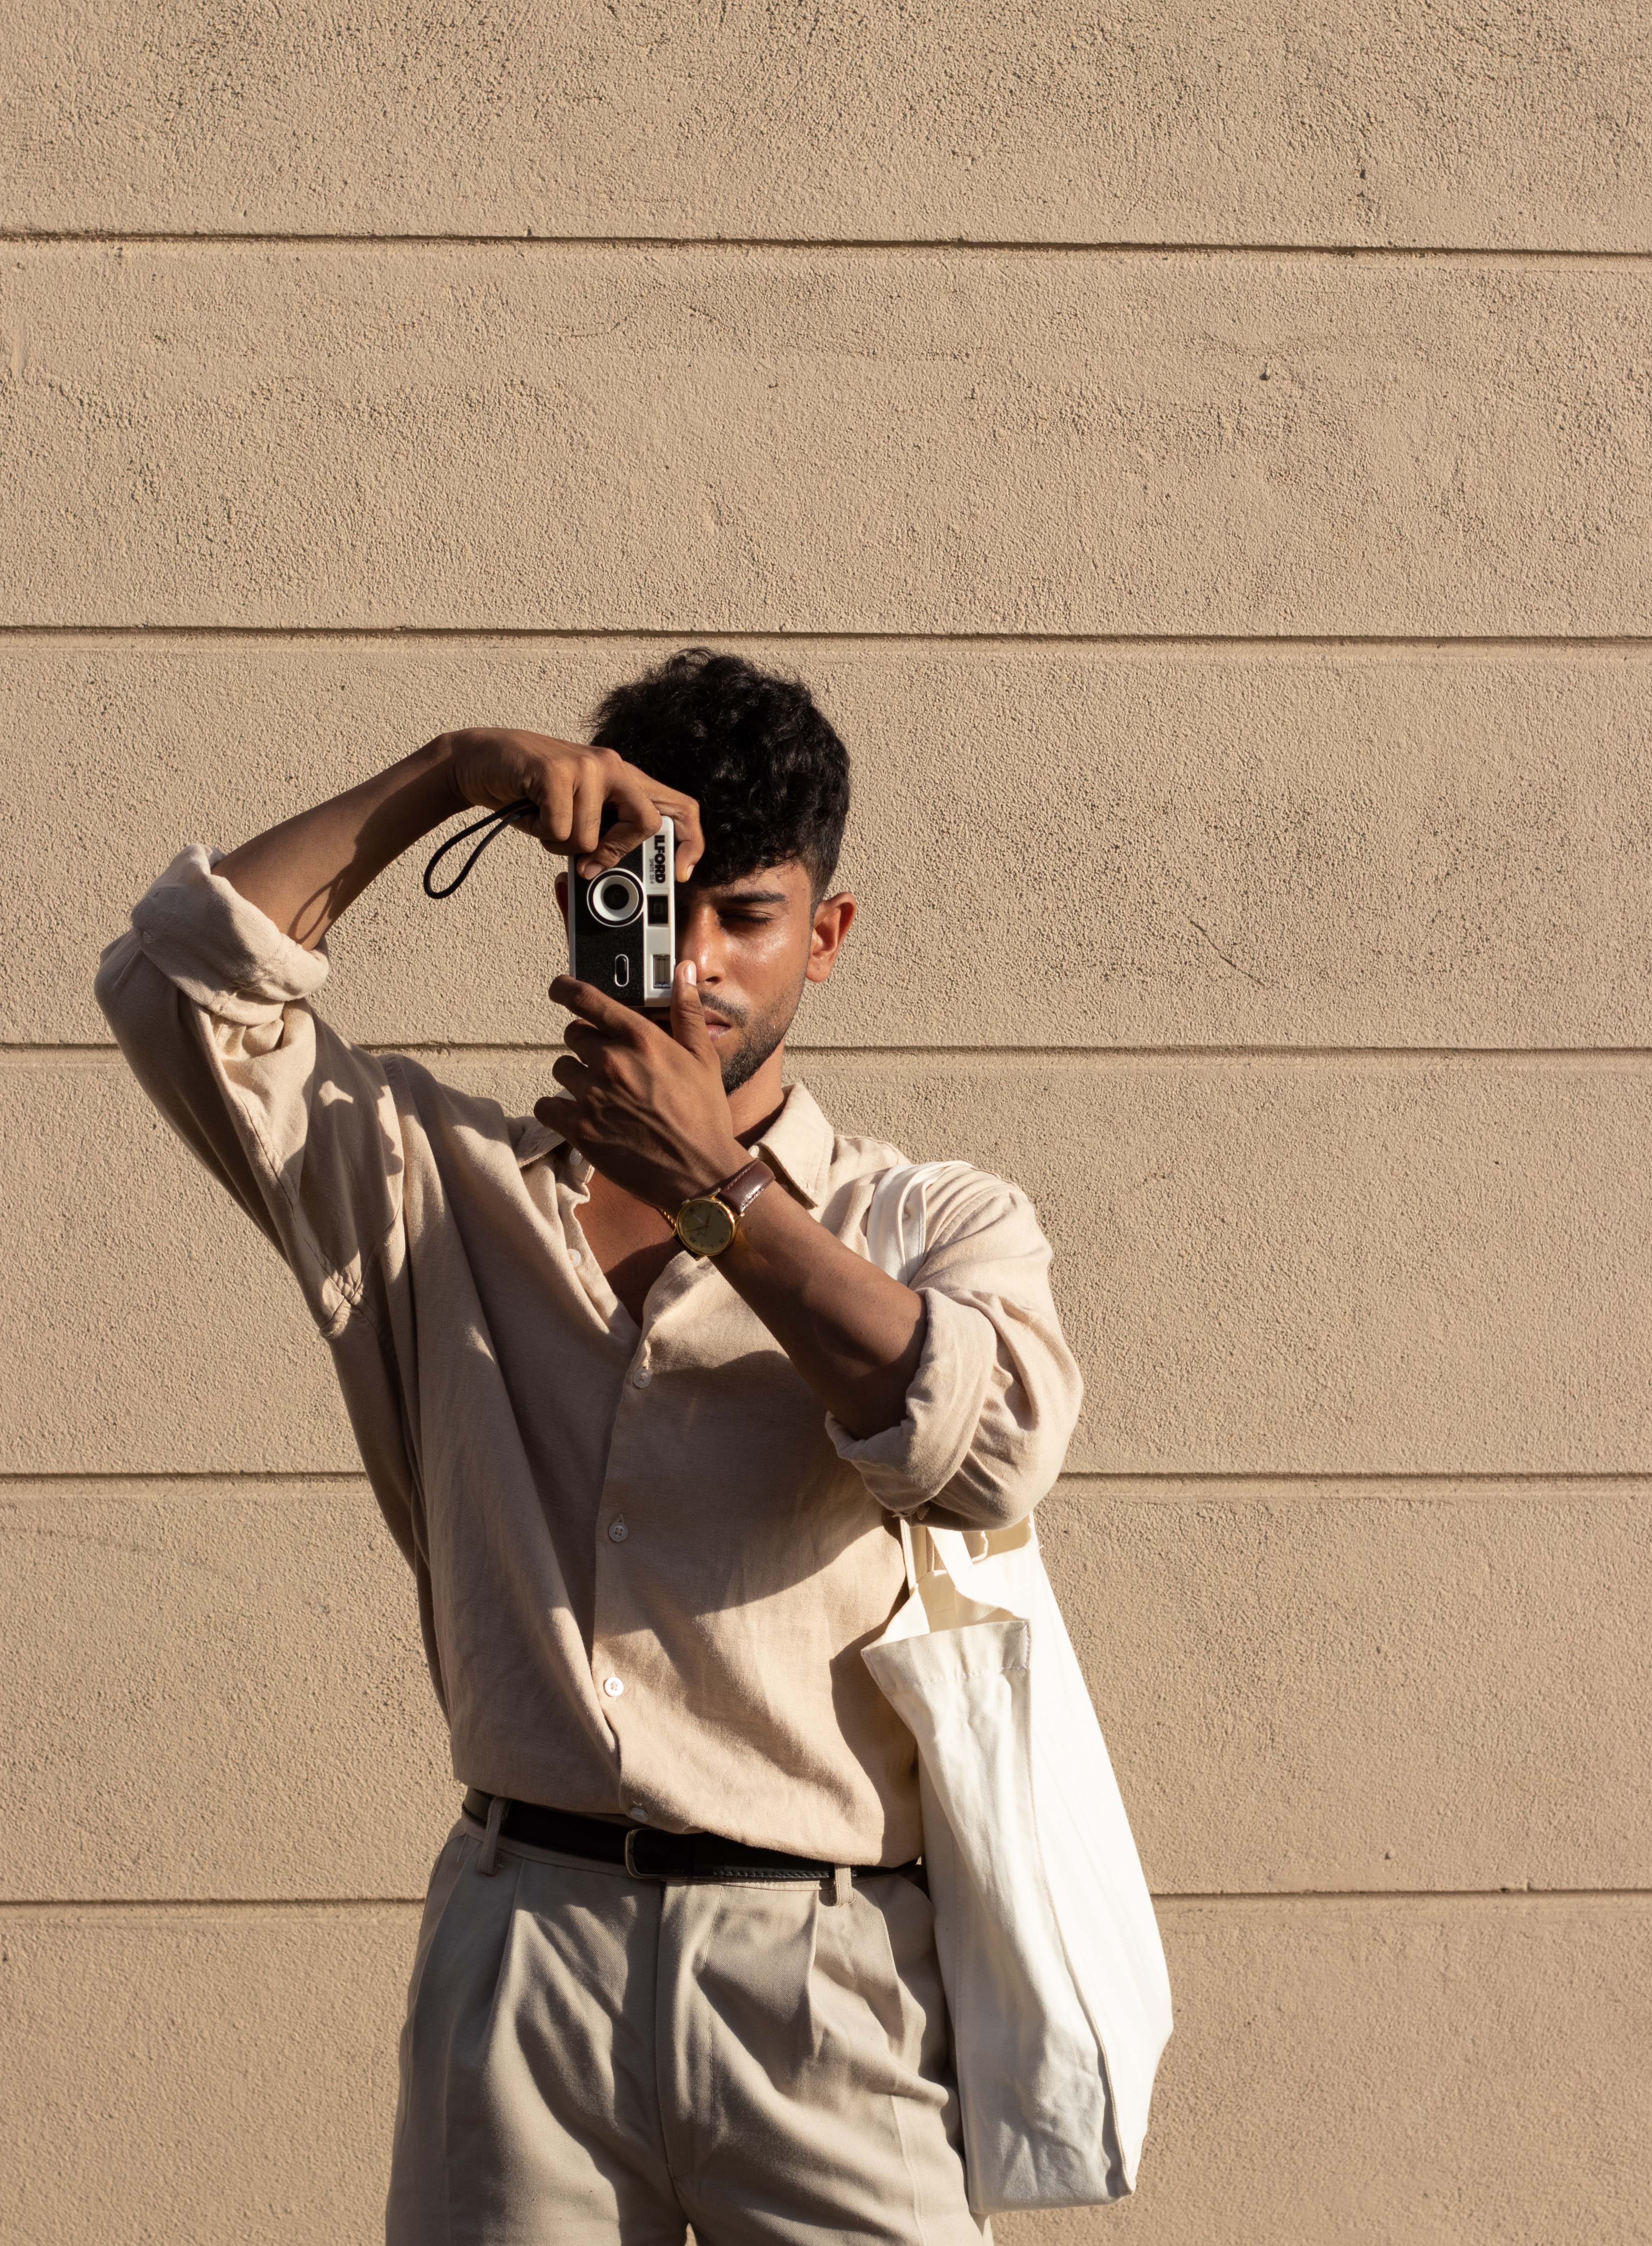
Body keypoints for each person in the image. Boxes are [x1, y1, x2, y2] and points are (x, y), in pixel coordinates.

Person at [94, 645, 1088, 2244]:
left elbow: (992, 1452)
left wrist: (730, 1200)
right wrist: (447, 777)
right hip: (526, 1942)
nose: (693, 963)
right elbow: (171, 987)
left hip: (820, 1970)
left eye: (746, 918)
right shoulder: (437, 1180)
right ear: (572, 908)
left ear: (825, 938)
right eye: (647, 902)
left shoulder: (928, 1217)